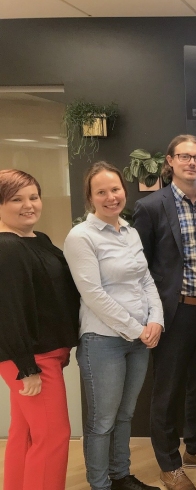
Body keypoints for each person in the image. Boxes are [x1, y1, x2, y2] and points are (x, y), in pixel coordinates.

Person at [133, 135, 196, 490]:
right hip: (174, 311)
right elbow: (140, 267)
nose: (192, 162)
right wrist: (150, 314)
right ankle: (169, 464)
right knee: (168, 391)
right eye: (184, 156)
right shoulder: (150, 206)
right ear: (170, 161)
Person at [64, 162, 163, 490]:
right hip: (102, 341)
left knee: (125, 415)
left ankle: (121, 477)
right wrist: (137, 328)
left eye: (115, 189)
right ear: (90, 197)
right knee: (102, 420)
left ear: (124, 190)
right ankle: (100, 484)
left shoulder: (129, 231)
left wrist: (156, 320)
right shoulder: (81, 236)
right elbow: (92, 294)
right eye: (101, 192)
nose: (111, 197)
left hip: (139, 340)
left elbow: (145, 280)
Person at [0, 170, 79, 490]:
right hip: (32, 358)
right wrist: (27, 368)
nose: (28, 205)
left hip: (43, 354)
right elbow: (8, 311)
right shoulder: (7, 247)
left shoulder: (38, 239)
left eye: (33, 197)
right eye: (16, 199)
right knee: (53, 437)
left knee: (26, 433)